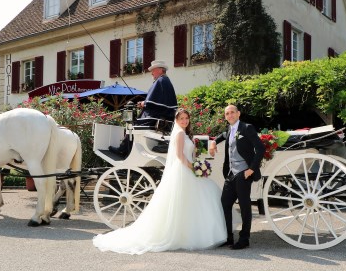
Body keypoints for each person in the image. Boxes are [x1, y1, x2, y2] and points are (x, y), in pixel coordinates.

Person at [93, 109, 227, 254]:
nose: (184, 121)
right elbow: (180, 156)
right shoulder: (180, 134)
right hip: (184, 169)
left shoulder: (185, 134)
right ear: (176, 120)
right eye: (181, 118)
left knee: (196, 198)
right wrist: (195, 168)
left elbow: (192, 152)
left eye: (186, 118)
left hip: (187, 169)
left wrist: (203, 158)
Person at [209, 104, 265, 250]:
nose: (230, 115)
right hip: (230, 173)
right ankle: (228, 238)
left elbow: (260, 148)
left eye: (232, 112)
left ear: (238, 113)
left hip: (244, 172)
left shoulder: (247, 128)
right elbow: (222, 135)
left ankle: (244, 239)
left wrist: (251, 169)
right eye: (227, 114)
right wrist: (214, 141)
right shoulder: (229, 129)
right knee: (225, 203)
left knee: (245, 206)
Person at [109, 60, 177, 157]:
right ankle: (127, 149)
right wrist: (145, 103)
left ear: (160, 70)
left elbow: (153, 102)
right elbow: (161, 102)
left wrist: (144, 103)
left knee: (132, 125)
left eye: (153, 70)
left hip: (154, 119)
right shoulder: (166, 81)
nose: (151, 73)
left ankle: (123, 149)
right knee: (134, 122)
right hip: (162, 118)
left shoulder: (161, 81)